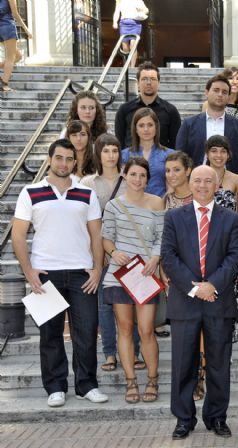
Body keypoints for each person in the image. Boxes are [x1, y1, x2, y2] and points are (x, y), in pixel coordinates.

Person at [11, 139, 108, 407]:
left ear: (74, 162)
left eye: (68, 159)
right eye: (59, 158)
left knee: (86, 332)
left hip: (81, 273)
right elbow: (18, 235)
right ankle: (55, 387)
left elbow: (96, 233)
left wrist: (98, 268)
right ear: (50, 159)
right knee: (50, 334)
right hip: (45, 275)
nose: (64, 163)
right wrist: (29, 271)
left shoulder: (85, 193)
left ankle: (86, 385)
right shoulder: (30, 192)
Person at [161, 165, 238, 439]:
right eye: (198, 180)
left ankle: (217, 417)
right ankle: (184, 419)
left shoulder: (230, 218)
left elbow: (234, 257)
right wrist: (195, 289)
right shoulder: (173, 217)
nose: (203, 185)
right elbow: (169, 257)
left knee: (219, 364)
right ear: (189, 183)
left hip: (219, 301)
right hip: (185, 302)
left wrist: (212, 285)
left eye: (209, 180)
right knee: (183, 364)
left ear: (217, 185)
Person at [101, 157, 164, 405]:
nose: (138, 180)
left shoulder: (157, 203)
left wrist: (156, 259)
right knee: (124, 329)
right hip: (120, 275)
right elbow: (106, 238)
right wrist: (114, 252)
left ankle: (152, 378)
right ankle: (131, 382)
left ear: (148, 179)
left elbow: (162, 237)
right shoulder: (113, 206)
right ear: (124, 176)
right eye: (133, 174)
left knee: (146, 329)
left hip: (146, 274)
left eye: (143, 175)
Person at [81, 133, 146, 372]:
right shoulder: (87, 183)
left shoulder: (129, 179)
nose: (111, 155)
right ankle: (109, 353)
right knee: (105, 306)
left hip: (128, 252)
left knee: (133, 304)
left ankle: (135, 352)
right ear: (98, 153)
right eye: (106, 150)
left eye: (115, 151)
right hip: (99, 251)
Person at [176, 74, 238, 174]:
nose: (220, 94)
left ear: (228, 97)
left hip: (230, 183)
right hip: (196, 182)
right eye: (216, 90)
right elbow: (180, 156)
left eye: (224, 92)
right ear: (206, 92)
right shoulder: (189, 124)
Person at [115, 61, 182, 149]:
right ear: (138, 83)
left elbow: (175, 144)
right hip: (131, 160)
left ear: (159, 83)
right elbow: (119, 142)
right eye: (144, 79)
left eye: (153, 79)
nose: (149, 83)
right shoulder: (124, 110)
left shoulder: (171, 111)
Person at [121, 107, 175, 197]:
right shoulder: (124, 155)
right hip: (131, 208)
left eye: (150, 125)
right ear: (136, 129)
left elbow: (172, 187)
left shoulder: (170, 155)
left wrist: (160, 204)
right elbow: (122, 187)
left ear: (156, 127)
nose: (146, 129)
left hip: (160, 206)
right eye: (141, 125)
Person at [0, 0, 31, 92]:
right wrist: (26, 29)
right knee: (11, 57)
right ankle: (4, 84)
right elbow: (15, 13)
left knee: (18, 56)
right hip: (7, 26)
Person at [112, 0, 148, 67]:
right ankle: (127, 66)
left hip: (135, 23)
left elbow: (146, 10)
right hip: (124, 23)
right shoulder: (119, 1)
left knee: (133, 45)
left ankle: (132, 66)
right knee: (125, 47)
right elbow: (117, 11)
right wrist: (115, 22)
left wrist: (141, 9)